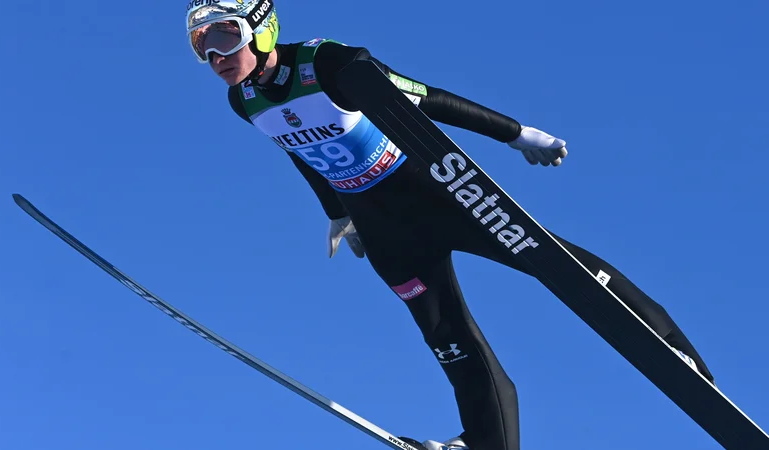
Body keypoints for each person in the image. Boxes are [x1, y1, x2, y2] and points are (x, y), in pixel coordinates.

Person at [185, 1, 715, 449]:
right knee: (448, 338)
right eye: (201, 45)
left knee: (557, 263)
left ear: (262, 26)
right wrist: (339, 214)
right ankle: (486, 441)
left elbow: (425, 98)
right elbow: (300, 152)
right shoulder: (243, 100)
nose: (215, 57)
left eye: (225, 38)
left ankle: (673, 347)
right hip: (384, 228)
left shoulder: (324, 63)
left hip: (434, 194)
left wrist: (516, 134)